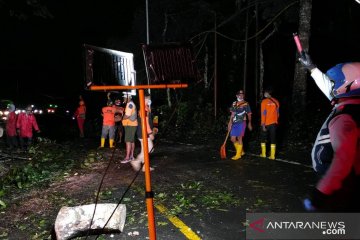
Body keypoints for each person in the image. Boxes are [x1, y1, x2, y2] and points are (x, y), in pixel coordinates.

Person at [300, 54, 360, 212]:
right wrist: (311, 68)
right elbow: (332, 89)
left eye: (334, 83)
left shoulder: (345, 117)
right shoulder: (350, 103)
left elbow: (343, 159)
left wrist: (321, 192)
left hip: (339, 186)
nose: (331, 87)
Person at [130, 94, 157, 172]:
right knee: (149, 149)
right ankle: (136, 161)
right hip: (143, 133)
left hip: (142, 132)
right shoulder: (144, 109)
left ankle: (145, 167)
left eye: (149, 99)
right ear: (143, 100)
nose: (149, 101)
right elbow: (145, 122)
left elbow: (150, 120)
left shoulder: (146, 108)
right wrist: (150, 133)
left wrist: (154, 127)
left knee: (145, 150)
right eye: (147, 99)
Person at [227, 90, 253, 160]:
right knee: (232, 139)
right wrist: (230, 123)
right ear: (236, 95)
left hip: (242, 122)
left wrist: (249, 122)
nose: (241, 96)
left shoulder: (246, 104)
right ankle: (241, 151)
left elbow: (249, 114)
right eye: (239, 94)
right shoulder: (234, 103)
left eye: (242, 94)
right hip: (234, 123)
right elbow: (232, 114)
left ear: (243, 96)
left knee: (239, 138)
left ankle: (238, 155)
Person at [259, 87, 280, 160]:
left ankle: (264, 154)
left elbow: (263, 114)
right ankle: (272, 156)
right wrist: (276, 121)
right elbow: (278, 114)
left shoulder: (264, 102)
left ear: (268, 93)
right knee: (273, 139)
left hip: (266, 123)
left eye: (265, 92)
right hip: (274, 124)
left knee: (263, 138)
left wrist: (263, 124)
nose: (264, 93)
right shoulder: (276, 101)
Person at [121, 93, 138, 163]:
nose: (123, 99)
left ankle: (127, 157)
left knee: (128, 141)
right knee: (132, 140)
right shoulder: (131, 104)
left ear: (128, 98)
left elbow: (127, 115)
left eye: (124, 98)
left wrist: (121, 118)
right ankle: (131, 156)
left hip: (130, 125)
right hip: (132, 125)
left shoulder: (129, 105)